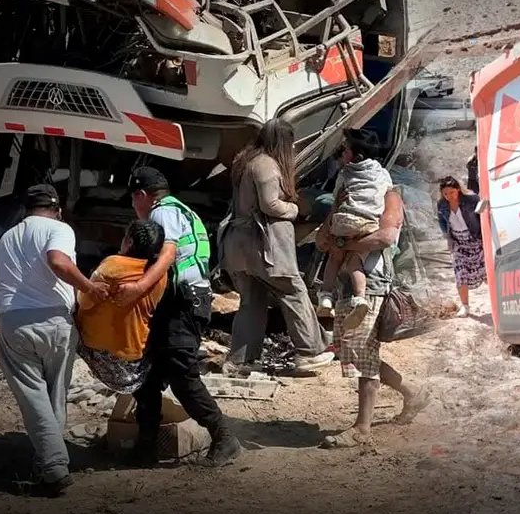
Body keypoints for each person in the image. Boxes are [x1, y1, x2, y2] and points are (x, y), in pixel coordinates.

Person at [114, 166, 241, 468]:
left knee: (181, 377)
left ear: (142, 195)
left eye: (133, 200)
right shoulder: (180, 211)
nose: (134, 207)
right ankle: (146, 447)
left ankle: (224, 438)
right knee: (147, 376)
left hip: (183, 304)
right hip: (176, 303)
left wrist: (139, 287)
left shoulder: (163, 212)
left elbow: (167, 255)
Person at [0, 184, 109, 496]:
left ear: (25, 210)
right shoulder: (59, 228)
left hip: (14, 322)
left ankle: (49, 462)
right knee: (55, 392)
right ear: (57, 209)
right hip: (55, 322)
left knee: (34, 397)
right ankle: (55, 465)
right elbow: (58, 261)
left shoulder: (8, 237)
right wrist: (89, 287)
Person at [317, 185, 431, 449]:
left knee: (362, 352)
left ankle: (362, 428)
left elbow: (386, 237)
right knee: (354, 351)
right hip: (344, 286)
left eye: (348, 153)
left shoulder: (388, 195)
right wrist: (337, 220)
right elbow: (322, 241)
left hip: (371, 284)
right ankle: (413, 391)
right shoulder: (346, 195)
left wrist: (344, 243)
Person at [220, 118, 334, 372]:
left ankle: (241, 360)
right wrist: (294, 209)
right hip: (263, 246)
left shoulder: (246, 160)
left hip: (239, 245)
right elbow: (270, 205)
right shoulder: (267, 166)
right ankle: (310, 351)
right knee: (294, 291)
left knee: (252, 300)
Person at [75, 219, 167, 394]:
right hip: (134, 359)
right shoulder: (159, 274)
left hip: (102, 354)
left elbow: (84, 302)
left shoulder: (113, 266)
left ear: (129, 242)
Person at [317, 128, 394, 329]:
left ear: (355, 156)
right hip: (368, 224)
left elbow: (337, 195)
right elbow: (386, 190)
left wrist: (339, 237)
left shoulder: (344, 173)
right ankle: (360, 299)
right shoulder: (383, 174)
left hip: (344, 222)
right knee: (354, 262)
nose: (342, 152)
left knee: (335, 256)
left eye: (345, 150)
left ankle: (325, 296)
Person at [436, 176, 486, 317]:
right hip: (458, 243)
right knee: (460, 273)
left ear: (457, 189)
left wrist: (484, 237)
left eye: (451, 192)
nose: (449, 196)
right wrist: (448, 238)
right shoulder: (442, 205)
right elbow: (442, 222)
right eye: (446, 194)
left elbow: (482, 217)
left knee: (486, 272)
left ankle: (496, 300)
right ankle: (465, 306)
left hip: (475, 240)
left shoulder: (471, 200)